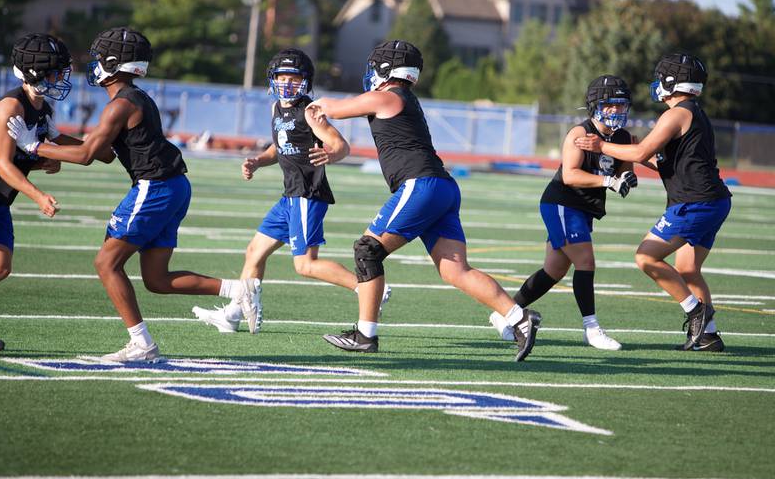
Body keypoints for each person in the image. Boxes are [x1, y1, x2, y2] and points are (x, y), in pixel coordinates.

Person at [8, 27, 252, 362]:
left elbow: (88, 155)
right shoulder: (134, 98)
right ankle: (238, 290)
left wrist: (33, 145)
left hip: (155, 186)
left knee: (106, 263)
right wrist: (57, 138)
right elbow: (106, 153)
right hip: (174, 185)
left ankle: (142, 345)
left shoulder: (119, 105)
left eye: (98, 59)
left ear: (113, 63)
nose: (94, 65)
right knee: (156, 278)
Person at [307, 40, 541, 362]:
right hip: (442, 186)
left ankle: (365, 335)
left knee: (367, 250)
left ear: (385, 69)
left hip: (422, 185)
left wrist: (310, 106)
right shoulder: (405, 98)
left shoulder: (386, 96)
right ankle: (518, 318)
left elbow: (333, 108)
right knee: (455, 270)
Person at [192, 49, 389, 333]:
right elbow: (280, 145)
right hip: (290, 195)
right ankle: (234, 314)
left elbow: (340, 145)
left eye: (294, 78)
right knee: (254, 252)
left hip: (307, 194)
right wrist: (258, 161)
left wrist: (331, 155)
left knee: (306, 265)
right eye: (282, 77)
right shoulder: (276, 109)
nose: (287, 83)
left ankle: (369, 289)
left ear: (305, 81)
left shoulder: (309, 111)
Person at [574, 54, 731, 352]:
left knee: (646, 258)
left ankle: (696, 311)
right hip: (713, 201)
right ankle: (707, 336)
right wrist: (636, 152)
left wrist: (602, 146)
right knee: (687, 269)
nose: (658, 84)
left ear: (672, 82)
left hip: (694, 203)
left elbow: (639, 152)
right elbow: (663, 163)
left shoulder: (676, 114)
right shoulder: (694, 112)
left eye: (662, 78)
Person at [0, 33, 108, 354]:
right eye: (54, 72)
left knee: (0, 267)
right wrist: (38, 195)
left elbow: (49, 150)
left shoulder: (42, 109)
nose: (61, 78)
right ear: (33, 72)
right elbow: (4, 165)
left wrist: (97, 147)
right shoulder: (10, 107)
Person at [490, 75, 638, 351]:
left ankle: (504, 314)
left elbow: (625, 166)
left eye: (621, 105)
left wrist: (627, 176)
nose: (617, 111)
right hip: (562, 203)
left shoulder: (623, 137)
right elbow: (570, 175)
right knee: (586, 261)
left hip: (584, 209)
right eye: (611, 105)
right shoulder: (579, 134)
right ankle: (591, 329)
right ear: (595, 105)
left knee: (554, 270)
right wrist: (609, 181)